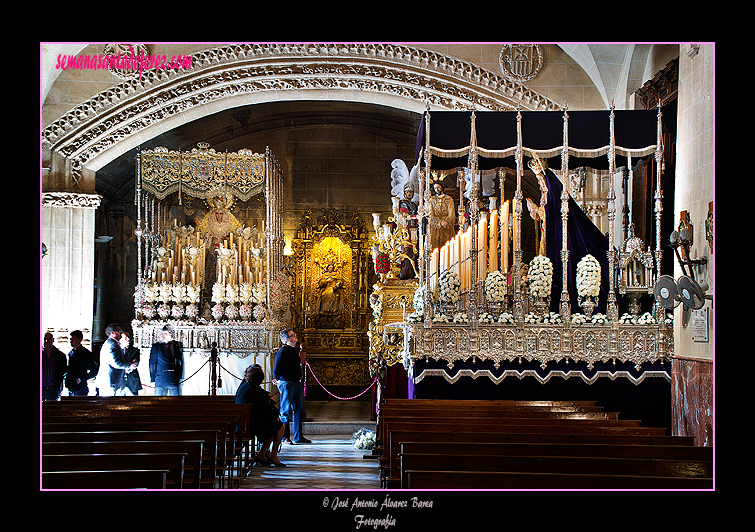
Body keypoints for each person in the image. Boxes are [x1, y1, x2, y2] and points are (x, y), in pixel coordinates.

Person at [235, 364, 286, 467]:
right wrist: (274, 415)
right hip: (250, 426)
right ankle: (273, 455)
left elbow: (259, 393)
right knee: (279, 426)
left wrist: (267, 394)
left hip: (242, 422)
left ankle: (262, 454)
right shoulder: (254, 392)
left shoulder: (245, 384)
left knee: (274, 425)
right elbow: (266, 411)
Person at [273, 329, 311, 444]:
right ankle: (285, 437)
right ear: (287, 340)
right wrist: (279, 381)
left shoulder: (294, 350)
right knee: (285, 412)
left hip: (296, 383)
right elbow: (276, 370)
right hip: (287, 384)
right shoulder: (283, 351)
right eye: (293, 335)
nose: (295, 336)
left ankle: (298, 436)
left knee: (298, 410)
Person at [95, 324, 135, 396]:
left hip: (114, 381)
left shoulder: (113, 343)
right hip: (110, 382)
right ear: (112, 333)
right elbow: (116, 363)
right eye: (119, 331)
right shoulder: (112, 344)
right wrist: (129, 365)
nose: (121, 333)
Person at [149, 325, 184, 396]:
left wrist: (179, 376)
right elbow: (153, 363)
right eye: (170, 333)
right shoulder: (156, 346)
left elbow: (179, 362)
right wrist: (153, 378)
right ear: (165, 334)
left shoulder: (175, 345)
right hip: (160, 378)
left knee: (175, 402)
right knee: (159, 402)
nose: (172, 335)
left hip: (173, 377)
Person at [65, 330, 97, 396]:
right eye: (70, 339)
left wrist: (81, 379)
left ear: (80, 340)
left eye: (73, 339)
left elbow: (94, 370)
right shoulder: (71, 353)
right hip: (71, 386)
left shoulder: (86, 354)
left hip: (80, 387)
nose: (71, 341)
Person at [426, 181, 456, 252]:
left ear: (442, 187)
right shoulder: (431, 200)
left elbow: (451, 214)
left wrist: (445, 222)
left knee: (448, 249)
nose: (437, 189)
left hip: (447, 226)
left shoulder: (449, 199)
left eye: (438, 187)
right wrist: (439, 222)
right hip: (435, 228)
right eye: (435, 188)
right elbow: (430, 214)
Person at [42, 332, 67, 401]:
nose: (47, 341)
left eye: (49, 339)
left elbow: (63, 371)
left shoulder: (60, 356)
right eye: (45, 339)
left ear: (53, 340)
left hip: (53, 389)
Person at [120, 331, 142, 396]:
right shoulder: (116, 350)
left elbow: (135, 364)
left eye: (129, 337)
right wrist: (129, 365)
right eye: (125, 338)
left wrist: (126, 367)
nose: (128, 339)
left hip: (132, 380)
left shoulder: (134, 350)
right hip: (119, 380)